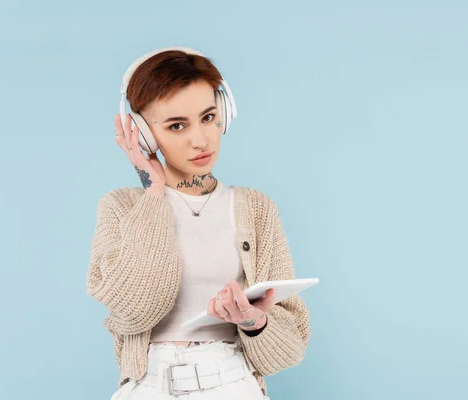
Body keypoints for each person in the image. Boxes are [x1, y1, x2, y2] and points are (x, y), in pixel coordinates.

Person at [85, 47, 311, 400]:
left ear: (224, 113)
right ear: (144, 134)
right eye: (177, 126)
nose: (200, 140)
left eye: (207, 117)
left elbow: (290, 349)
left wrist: (253, 321)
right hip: (149, 386)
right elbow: (133, 311)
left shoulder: (256, 209)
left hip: (233, 384)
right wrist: (154, 192)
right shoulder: (122, 207)